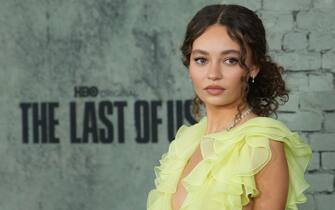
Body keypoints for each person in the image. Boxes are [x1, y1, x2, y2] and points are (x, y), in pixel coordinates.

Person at [147, 4, 312, 210]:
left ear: (253, 69)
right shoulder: (187, 142)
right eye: (201, 60)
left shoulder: (262, 142)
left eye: (230, 60)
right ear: (189, 66)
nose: (213, 73)